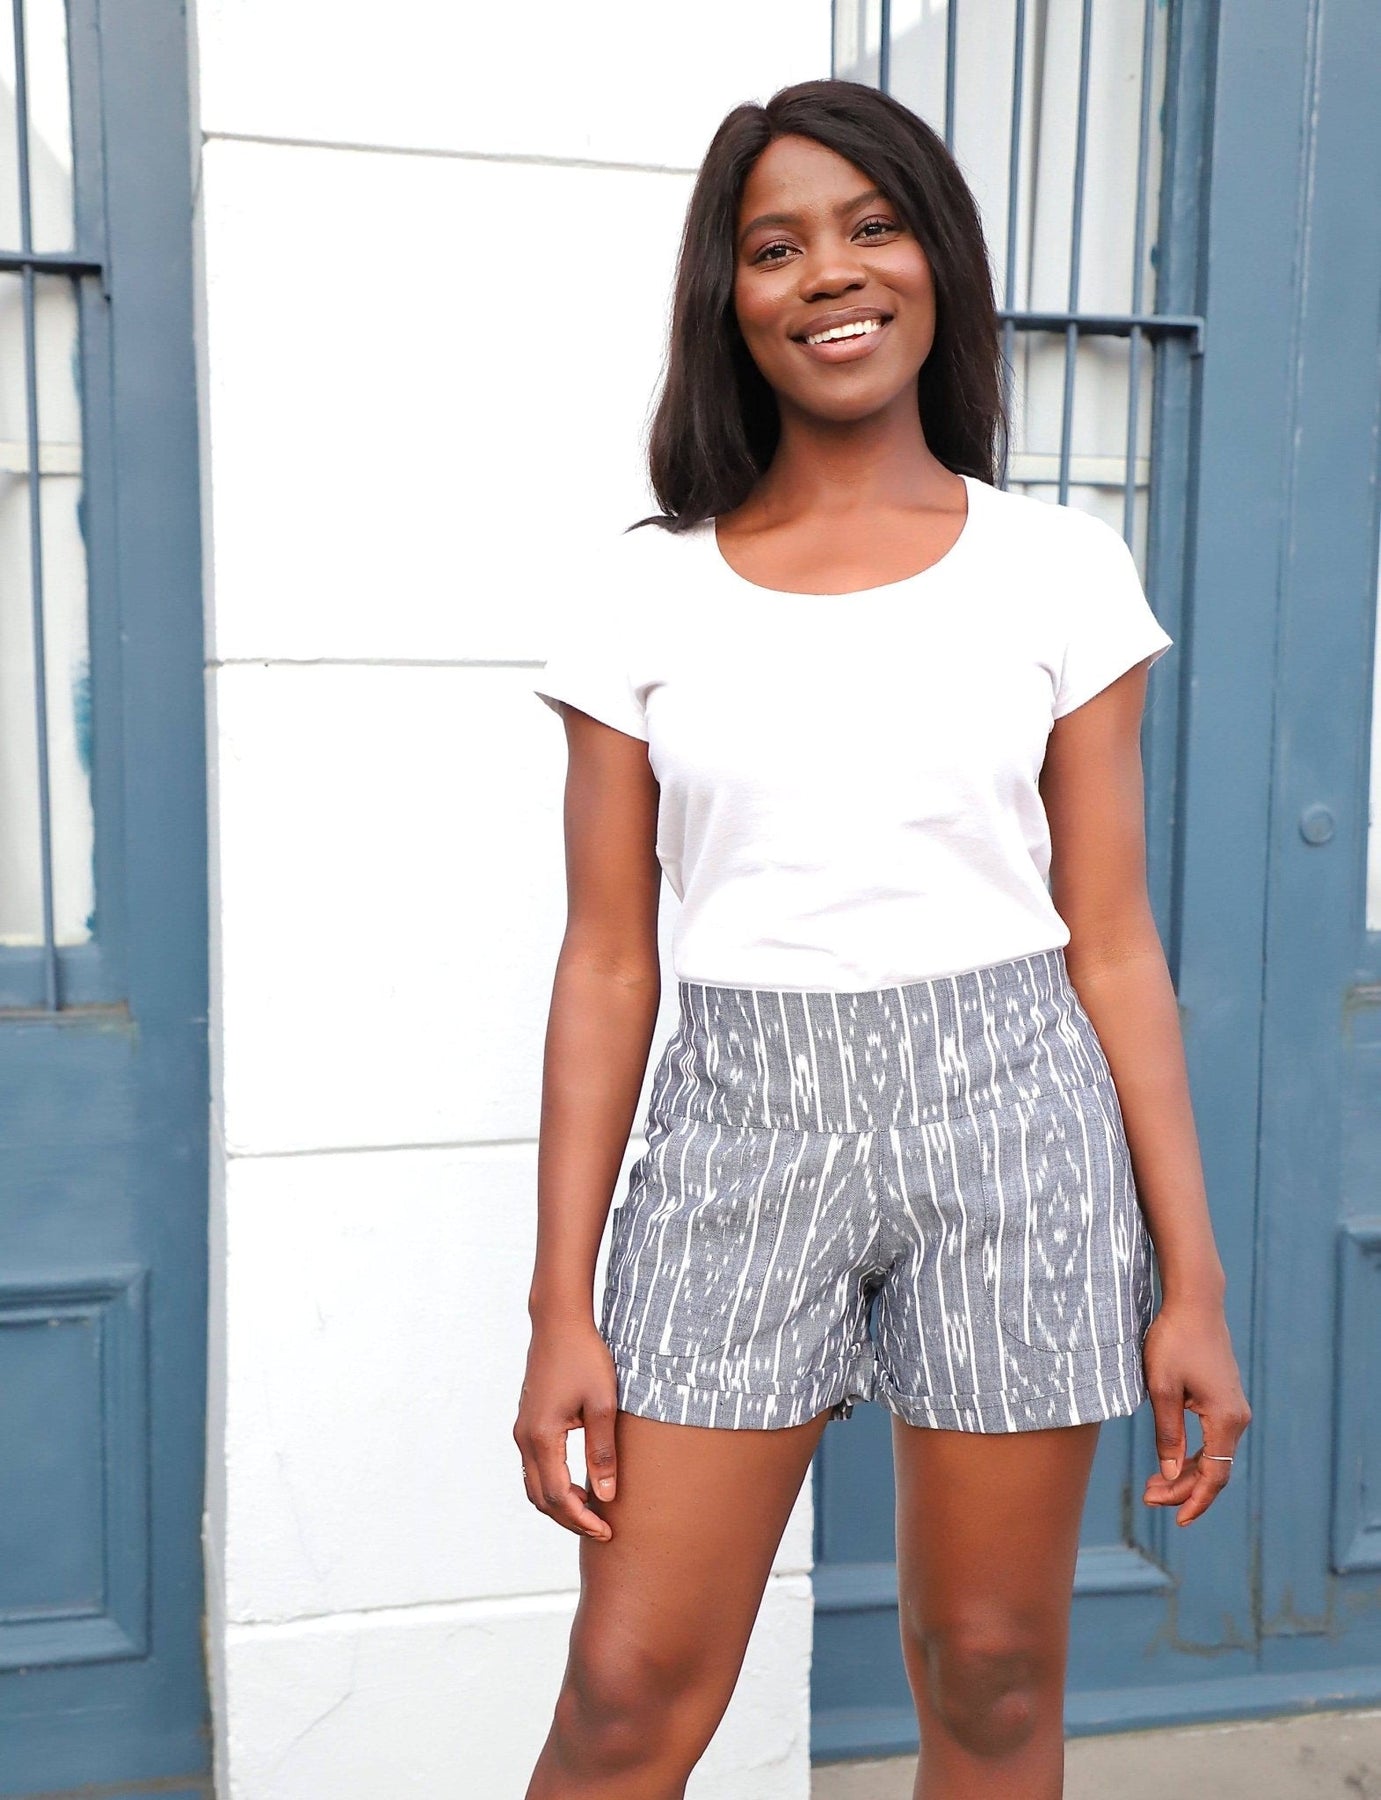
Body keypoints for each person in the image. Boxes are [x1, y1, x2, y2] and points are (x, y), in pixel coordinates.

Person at [516, 76, 1251, 1800]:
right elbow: (608, 961)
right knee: (624, 1696)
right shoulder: (642, 590)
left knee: (988, 1673)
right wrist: (560, 1304)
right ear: (730, 300)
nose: (828, 273)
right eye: (774, 247)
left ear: (937, 263)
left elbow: (1112, 943)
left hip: (1011, 1124)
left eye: (870, 226)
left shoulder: (1057, 569)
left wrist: (1192, 1283)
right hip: (735, 1133)